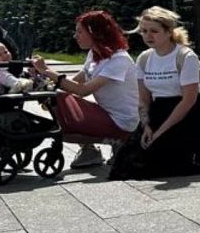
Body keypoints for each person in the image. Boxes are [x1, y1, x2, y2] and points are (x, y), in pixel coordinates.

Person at [109, 7, 200, 180]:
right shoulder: (144, 58)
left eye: (154, 31)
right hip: (158, 111)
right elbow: (144, 98)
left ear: (168, 32)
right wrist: (147, 126)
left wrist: (161, 131)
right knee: (128, 164)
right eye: (144, 31)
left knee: (170, 160)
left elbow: (189, 99)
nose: (148, 36)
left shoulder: (186, 57)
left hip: (186, 114)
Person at [32, 11, 139, 168]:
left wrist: (46, 70)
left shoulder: (119, 60)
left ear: (95, 33)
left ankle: (121, 141)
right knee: (58, 112)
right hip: (107, 114)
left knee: (61, 116)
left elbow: (83, 91)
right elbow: (75, 81)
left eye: (80, 32)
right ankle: (90, 151)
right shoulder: (94, 54)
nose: (75, 36)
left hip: (122, 121)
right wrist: (46, 85)